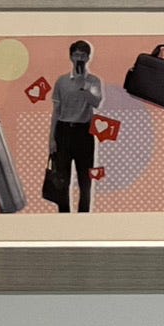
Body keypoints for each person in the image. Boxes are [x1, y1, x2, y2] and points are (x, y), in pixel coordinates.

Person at [49, 40, 103, 213]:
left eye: (83, 55)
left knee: (85, 181)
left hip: (84, 133)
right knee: (62, 180)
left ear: (88, 58)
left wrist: (83, 86)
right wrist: (51, 139)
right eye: (76, 54)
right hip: (63, 131)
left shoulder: (93, 81)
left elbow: (96, 103)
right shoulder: (61, 81)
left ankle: (83, 217)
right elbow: (56, 111)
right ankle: (64, 217)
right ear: (71, 57)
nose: (79, 58)